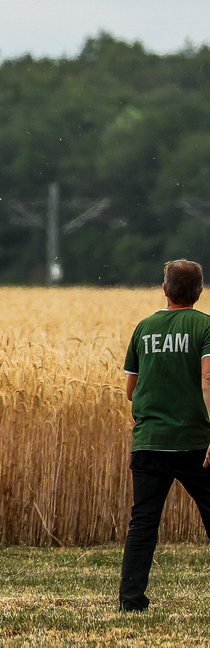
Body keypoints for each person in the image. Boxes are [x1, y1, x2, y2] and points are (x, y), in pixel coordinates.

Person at [118, 258, 210, 612]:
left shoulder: (144, 328)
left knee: (143, 523)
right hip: (194, 441)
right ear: (198, 292)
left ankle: (131, 600)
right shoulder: (205, 327)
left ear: (164, 289)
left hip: (149, 440)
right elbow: (208, 380)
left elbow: (130, 390)